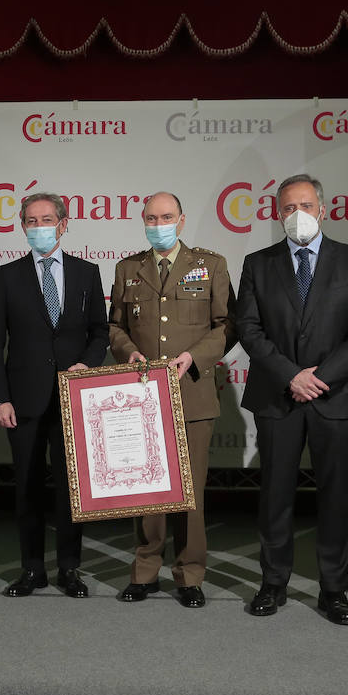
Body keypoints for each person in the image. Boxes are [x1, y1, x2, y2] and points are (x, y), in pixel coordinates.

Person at [236, 174, 348, 625]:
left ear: (323, 208)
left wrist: (322, 377)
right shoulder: (258, 263)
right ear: (277, 213)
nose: (296, 214)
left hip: (336, 397)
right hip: (279, 396)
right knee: (275, 495)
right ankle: (273, 582)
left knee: (335, 496)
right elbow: (249, 329)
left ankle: (334, 589)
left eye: (305, 204)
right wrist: (291, 376)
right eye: (286, 207)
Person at [108, 191, 232, 609]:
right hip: (142, 397)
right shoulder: (128, 268)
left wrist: (192, 357)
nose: (157, 223)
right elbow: (114, 327)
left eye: (165, 216)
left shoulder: (209, 265)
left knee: (189, 492)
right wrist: (130, 354)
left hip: (192, 394)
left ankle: (190, 574)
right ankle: (144, 570)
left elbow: (226, 326)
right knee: (148, 491)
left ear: (181, 221)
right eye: (150, 217)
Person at [0, 192, 109, 598]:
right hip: (22, 401)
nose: (38, 226)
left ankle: (70, 569)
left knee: (73, 488)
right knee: (27, 487)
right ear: (22, 226)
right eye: (31, 220)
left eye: (46, 219)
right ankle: (32, 570)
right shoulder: (6, 276)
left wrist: (87, 366)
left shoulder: (87, 272)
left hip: (74, 399)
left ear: (63, 223)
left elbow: (100, 333)